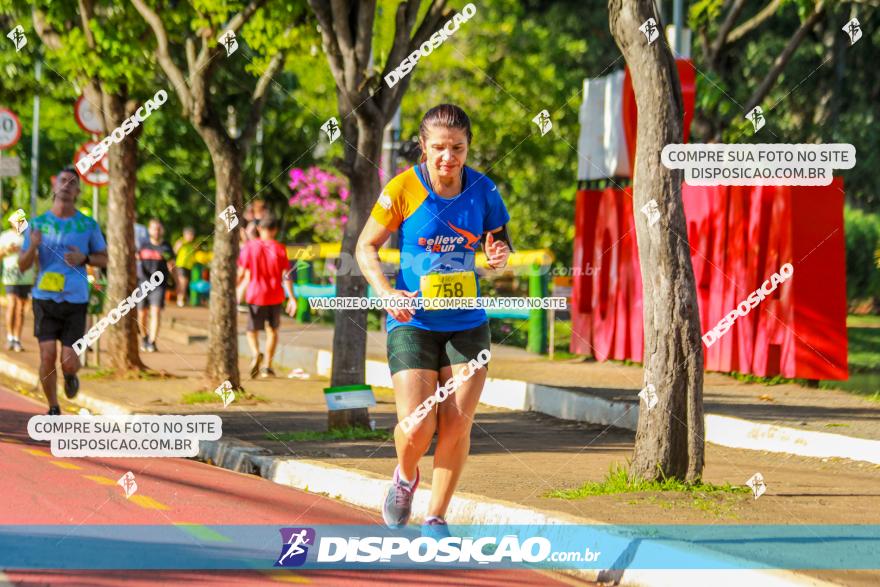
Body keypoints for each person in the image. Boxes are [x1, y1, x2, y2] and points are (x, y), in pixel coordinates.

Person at [356, 104, 512, 535]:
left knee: (457, 422)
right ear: (423, 147)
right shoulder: (404, 187)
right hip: (413, 320)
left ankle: (436, 517)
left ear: (468, 147)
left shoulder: (483, 189)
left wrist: (497, 255)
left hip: (467, 320)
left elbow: (498, 243)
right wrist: (386, 292)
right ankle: (405, 477)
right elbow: (365, 246)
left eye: (457, 148)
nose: (449, 158)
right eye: (439, 148)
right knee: (418, 422)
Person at [18, 166, 108, 415]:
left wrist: (85, 257)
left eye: (72, 183)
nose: (66, 185)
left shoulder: (87, 225)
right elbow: (22, 264)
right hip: (44, 298)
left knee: (68, 361)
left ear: (78, 191)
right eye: (62, 181)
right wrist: (33, 245)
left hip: (76, 299)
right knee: (47, 356)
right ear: (54, 186)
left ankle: (70, 376)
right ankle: (53, 407)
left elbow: (105, 259)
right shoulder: (38, 224)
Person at [237, 213, 295, 378]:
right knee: (273, 331)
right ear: (275, 230)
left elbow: (241, 273)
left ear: (259, 228)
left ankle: (255, 353)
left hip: (255, 294)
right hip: (275, 295)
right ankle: (267, 366)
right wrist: (292, 297)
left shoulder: (250, 247)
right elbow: (287, 275)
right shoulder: (280, 248)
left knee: (251, 330)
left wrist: (235, 290)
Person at [0, 212, 37, 351]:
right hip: (10, 276)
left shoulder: (28, 237)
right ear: (12, 223)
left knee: (21, 309)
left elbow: (36, 255)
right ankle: (10, 337)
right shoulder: (5, 236)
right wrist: (7, 250)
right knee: (12, 305)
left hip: (26, 277)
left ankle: (17, 339)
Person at [136, 218, 174, 352]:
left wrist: (171, 268)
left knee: (156, 312)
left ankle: (152, 342)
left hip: (159, 285)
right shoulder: (143, 245)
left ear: (161, 230)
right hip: (142, 283)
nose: (156, 231)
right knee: (141, 314)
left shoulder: (166, 247)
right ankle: (144, 337)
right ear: (149, 230)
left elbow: (172, 263)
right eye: (153, 228)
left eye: (158, 229)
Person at [173, 226, 196, 307]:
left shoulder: (192, 245)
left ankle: (180, 298)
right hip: (180, 265)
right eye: (189, 234)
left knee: (184, 284)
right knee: (182, 283)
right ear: (185, 234)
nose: (191, 236)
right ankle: (180, 299)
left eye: (192, 235)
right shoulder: (181, 242)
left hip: (188, 267)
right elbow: (174, 252)